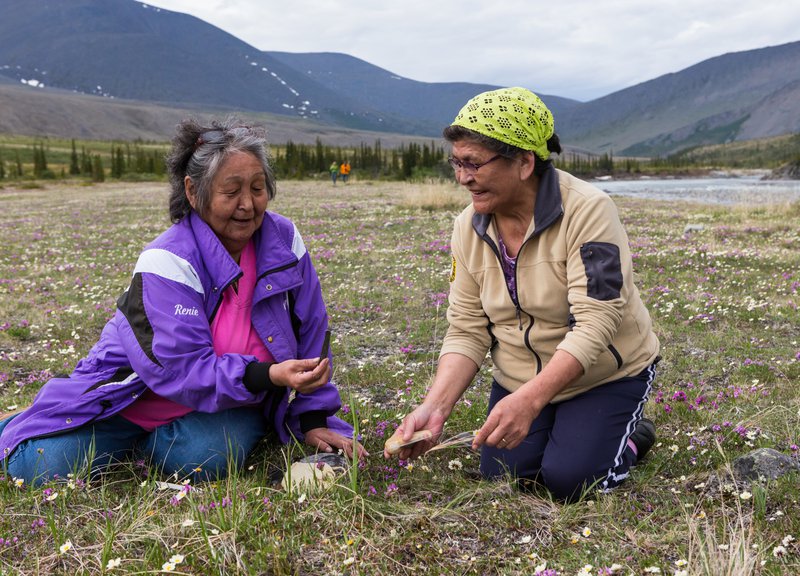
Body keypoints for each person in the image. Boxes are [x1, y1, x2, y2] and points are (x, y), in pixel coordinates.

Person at [0, 118, 364, 486]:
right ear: (193, 191)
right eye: (231, 191)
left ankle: (152, 451)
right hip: (129, 402)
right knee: (37, 467)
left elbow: (313, 333)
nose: (247, 204)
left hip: (220, 406)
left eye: (257, 188)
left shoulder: (284, 242)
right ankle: (28, 423)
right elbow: (182, 370)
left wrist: (314, 421)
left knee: (205, 459)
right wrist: (267, 375)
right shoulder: (167, 260)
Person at [384, 87, 660, 502]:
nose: (462, 177)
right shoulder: (468, 226)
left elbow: (597, 323)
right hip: (519, 377)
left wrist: (529, 402)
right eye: (456, 163)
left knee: (571, 482)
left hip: (604, 375)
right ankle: (569, 428)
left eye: (473, 163)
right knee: (505, 477)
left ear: (525, 162)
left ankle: (633, 435)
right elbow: (466, 330)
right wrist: (435, 408)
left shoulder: (588, 210)